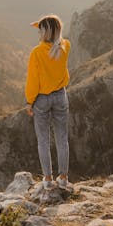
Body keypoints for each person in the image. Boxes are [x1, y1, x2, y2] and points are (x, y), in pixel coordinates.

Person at [25, 14, 71, 189]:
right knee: (62, 138)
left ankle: (48, 180)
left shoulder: (36, 53)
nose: (38, 34)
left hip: (42, 99)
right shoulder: (65, 46)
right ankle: (64, 177)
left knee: (43, 140)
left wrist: (29, 102)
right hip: (60, 96)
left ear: (44, 32)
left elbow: (33, 80)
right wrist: (46, 24)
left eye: (40, 30)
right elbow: (56, 34)